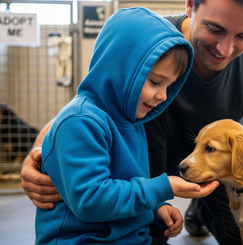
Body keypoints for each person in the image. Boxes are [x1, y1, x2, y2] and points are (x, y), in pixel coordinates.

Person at [22, 0, 243, 244]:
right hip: (149, 173)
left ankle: (200, 210)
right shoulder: (148, 45)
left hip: (217, 175)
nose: (225, 48)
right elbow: (88, 106)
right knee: (152, 231)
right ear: (191, 5)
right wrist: (38, 158)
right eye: (215, 29)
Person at [33, 7, 219, 244]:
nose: (163, 96)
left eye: (168, 86)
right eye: (154, 82)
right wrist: (162, 188)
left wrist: (156, 207)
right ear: (120, 69)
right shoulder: (80, 122)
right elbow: (90, 200)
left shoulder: (134, 121)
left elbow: (127, 182)